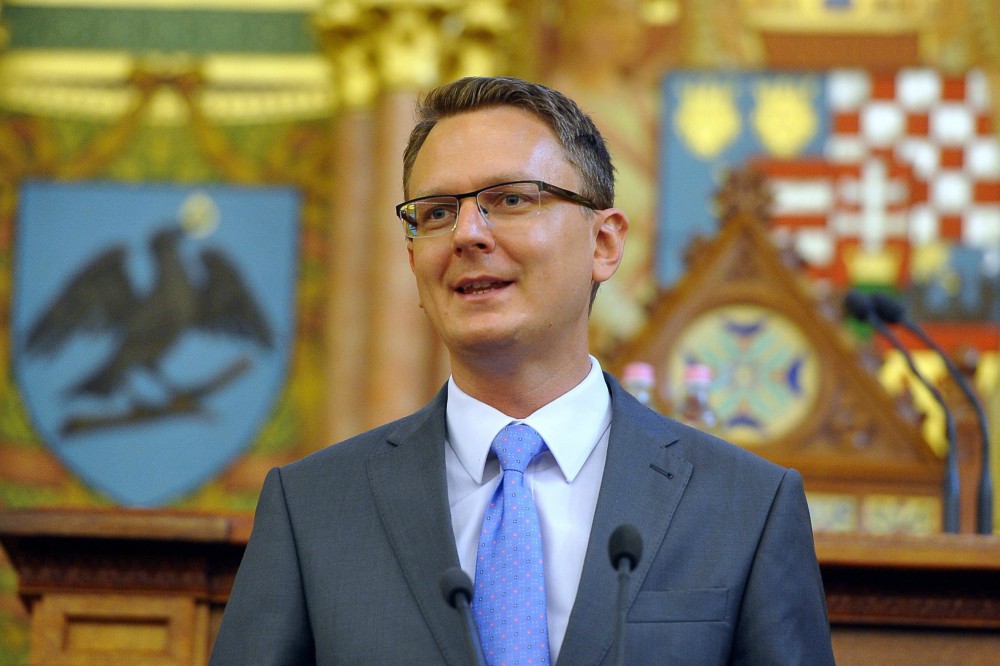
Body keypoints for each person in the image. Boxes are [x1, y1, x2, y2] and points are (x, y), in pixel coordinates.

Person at [210, 76, 835, 665]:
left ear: (604, 244)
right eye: (436, 212)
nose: (467, 234)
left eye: (509, 200)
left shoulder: (744, 506)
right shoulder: (313, 508)